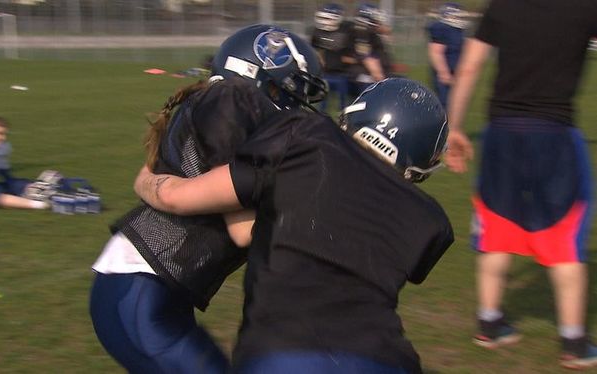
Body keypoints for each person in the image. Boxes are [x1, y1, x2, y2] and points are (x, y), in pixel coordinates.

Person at [134, 78, 454, 374]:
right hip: (386, 361)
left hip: (284, 354)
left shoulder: (305, 138)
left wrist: (145, 178)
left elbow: (176, 197)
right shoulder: (429, 219)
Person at [89, 24, 327, 373]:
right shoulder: (229, 101)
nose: (297, 107)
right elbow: (243, 229)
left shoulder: (212, 104)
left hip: (151, 286)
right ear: (255, 76)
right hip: (143, 286)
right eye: (289, 91)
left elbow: (146, 179)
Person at [445, 0, 597, 369]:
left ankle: (489, 322)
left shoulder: (502, 6)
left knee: (496, 226)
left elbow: (468, 67)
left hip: (503, 135)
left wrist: (454, 128)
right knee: (562, 235)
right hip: (554, 135)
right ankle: (574, 343)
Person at [346, 3, 395, 98]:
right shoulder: (362, 35)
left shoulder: (371, 35)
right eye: (375, 18)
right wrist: (379, 75)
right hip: (365, 74)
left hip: (375, 72)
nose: (378, 22)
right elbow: (368, 58)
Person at [311, 3, 352, 111]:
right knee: (322, 102)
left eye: (327, 18)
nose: (324, 21)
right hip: (325, 73)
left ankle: (343, 120)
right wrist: (320, 58)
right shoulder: (318, 32)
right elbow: (314, 47)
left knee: (343, 103)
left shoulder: (346, 32)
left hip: (341, 74)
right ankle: (321, 118)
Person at [426, 2, 467, 109]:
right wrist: (444, 73)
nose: (458, 18)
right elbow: (436, 51)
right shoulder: (442, 28)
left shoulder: (456, 30)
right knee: (444, 105)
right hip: (446, 75)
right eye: (456, 15)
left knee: (454, 106)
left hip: (455, 73)